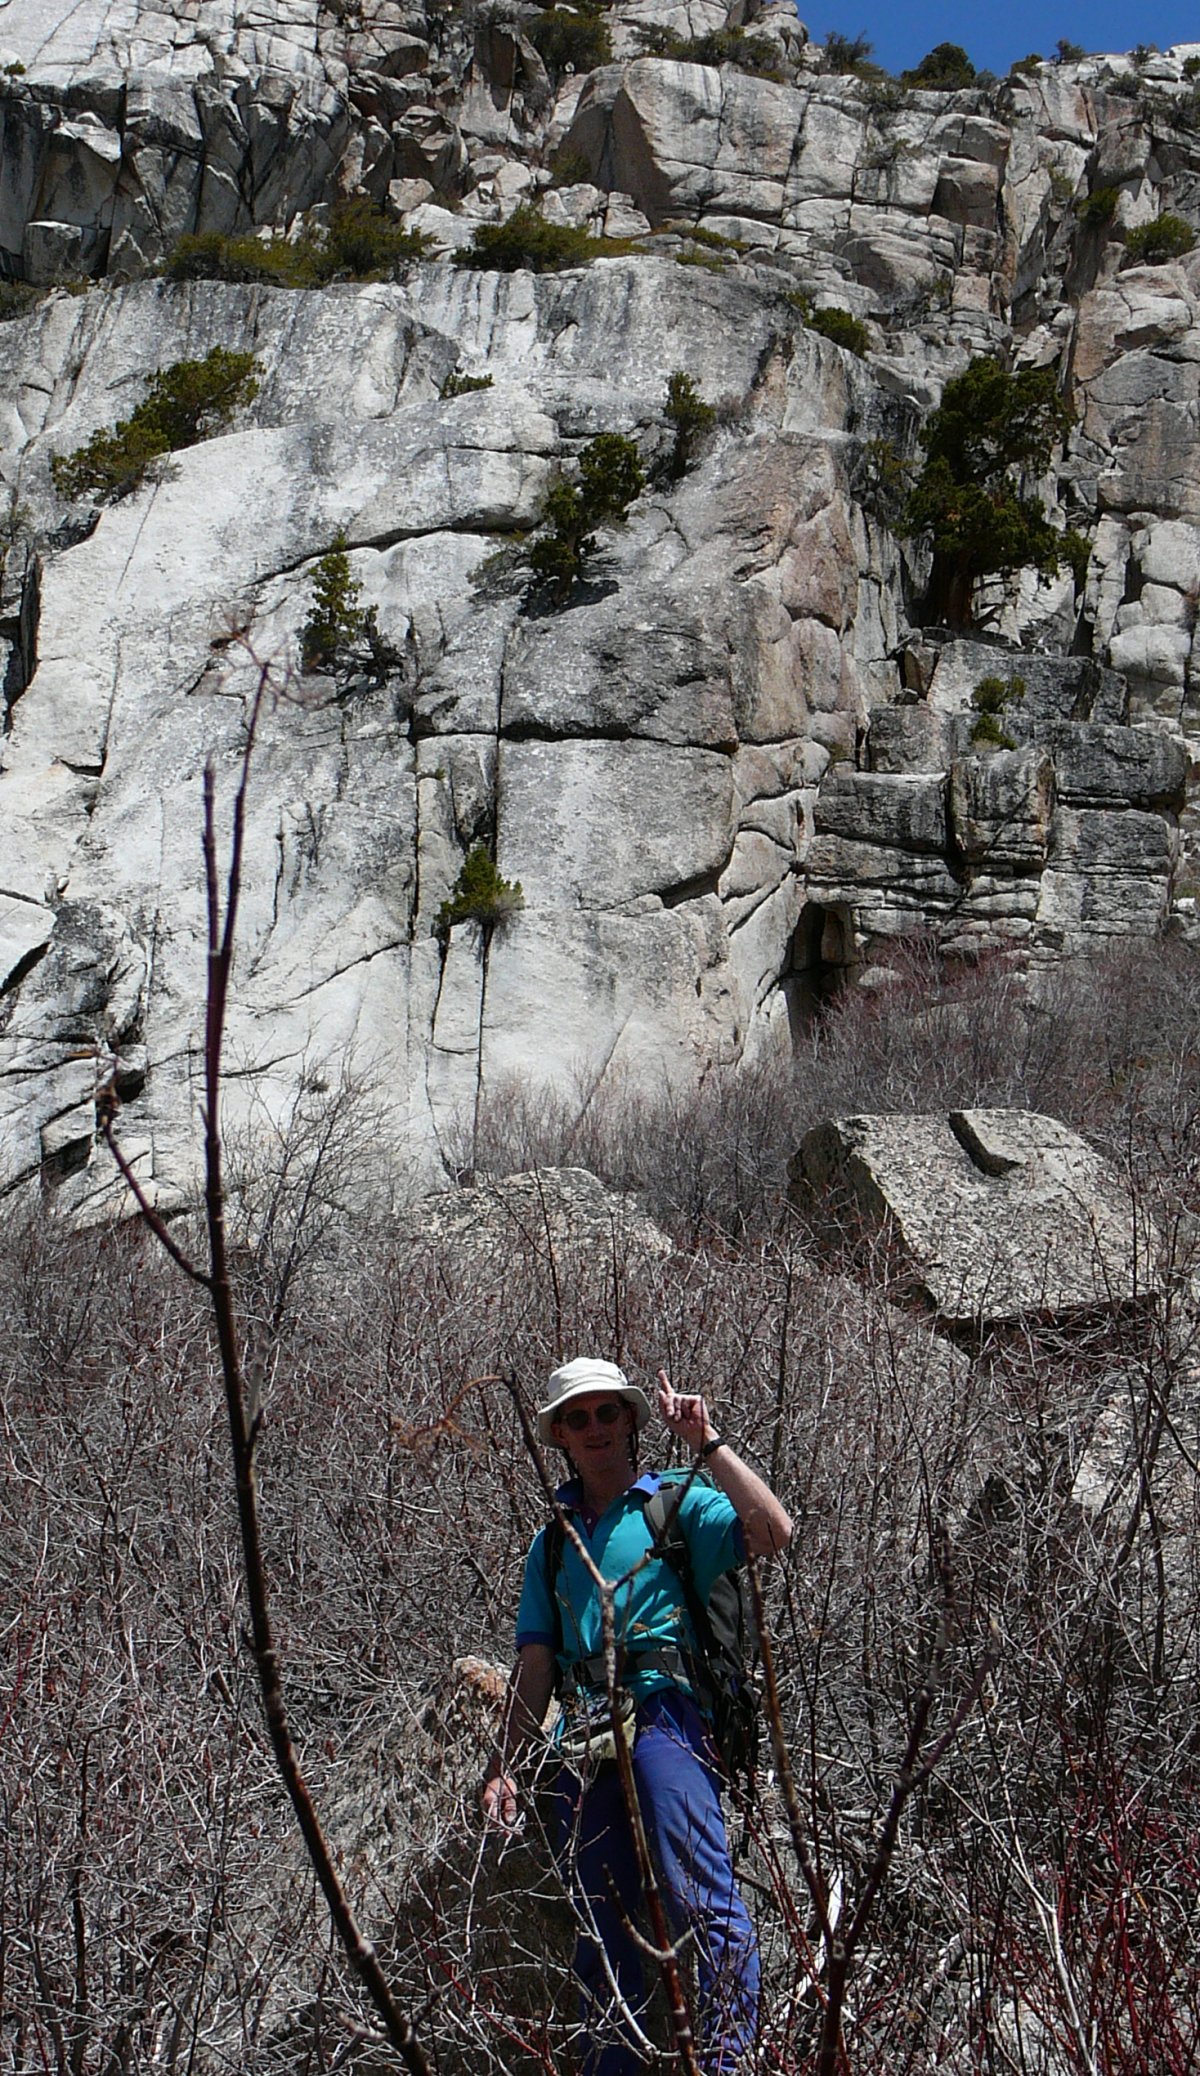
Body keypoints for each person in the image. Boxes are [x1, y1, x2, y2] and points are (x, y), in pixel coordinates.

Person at [481, 1356, 793, 2075]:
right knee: (600, 1928)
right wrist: (506, 1768)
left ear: (630, 1420)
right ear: (558, 1434)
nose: (594, 1428)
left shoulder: (679, 1502)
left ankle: (726, 2065)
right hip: (582, 1735)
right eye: (577, 1417)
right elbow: (534, 1667)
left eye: (607, 1412)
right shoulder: (552, 1543)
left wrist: (708, 1442)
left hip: (666, 1713)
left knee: (700, 1901)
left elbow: (774, 1530)